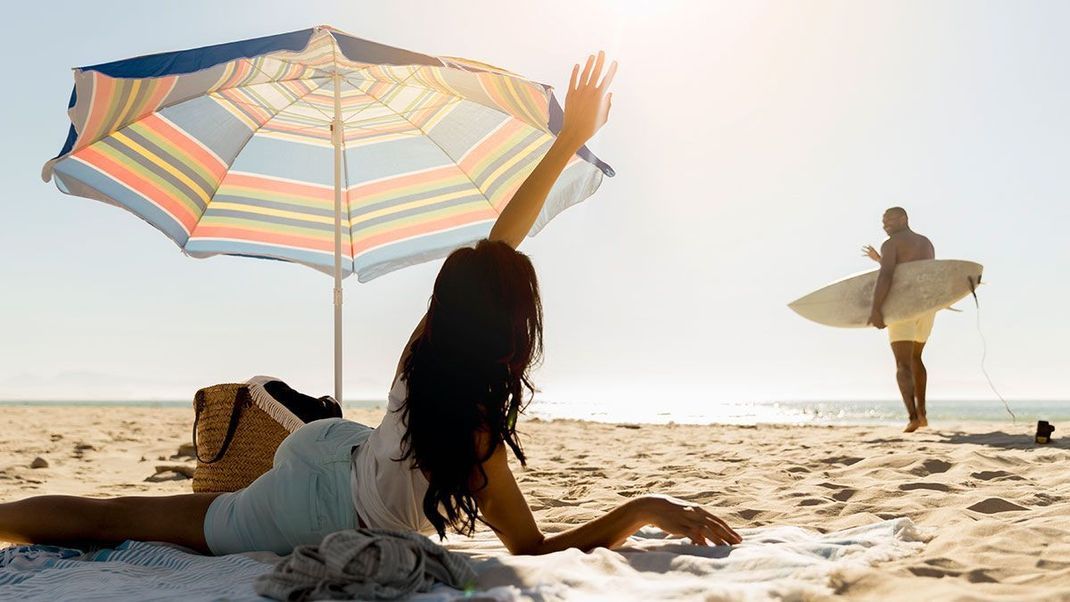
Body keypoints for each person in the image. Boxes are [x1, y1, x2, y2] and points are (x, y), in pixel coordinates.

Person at [0, 52, 741, 557]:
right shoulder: (475, 434)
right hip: (313, 508)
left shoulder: (430, 347)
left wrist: (570, 137)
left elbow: (498, 242)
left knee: (118, 513)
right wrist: (642, 507)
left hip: (331, 451)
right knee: (116, 526)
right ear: (515, 334)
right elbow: (537, 551)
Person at [863, 207, 936, 433]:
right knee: (916, 358)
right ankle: (923, 415)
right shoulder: (925, 243)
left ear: (904, 218)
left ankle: (913, 417)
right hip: (927, 306)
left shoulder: (891, 244)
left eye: (891, 221)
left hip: (903, 308)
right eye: (883, 222)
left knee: (902, 364)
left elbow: (887, 276)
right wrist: (881, 260)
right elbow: (912, 273)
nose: (886, 225)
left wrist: (876, 309)